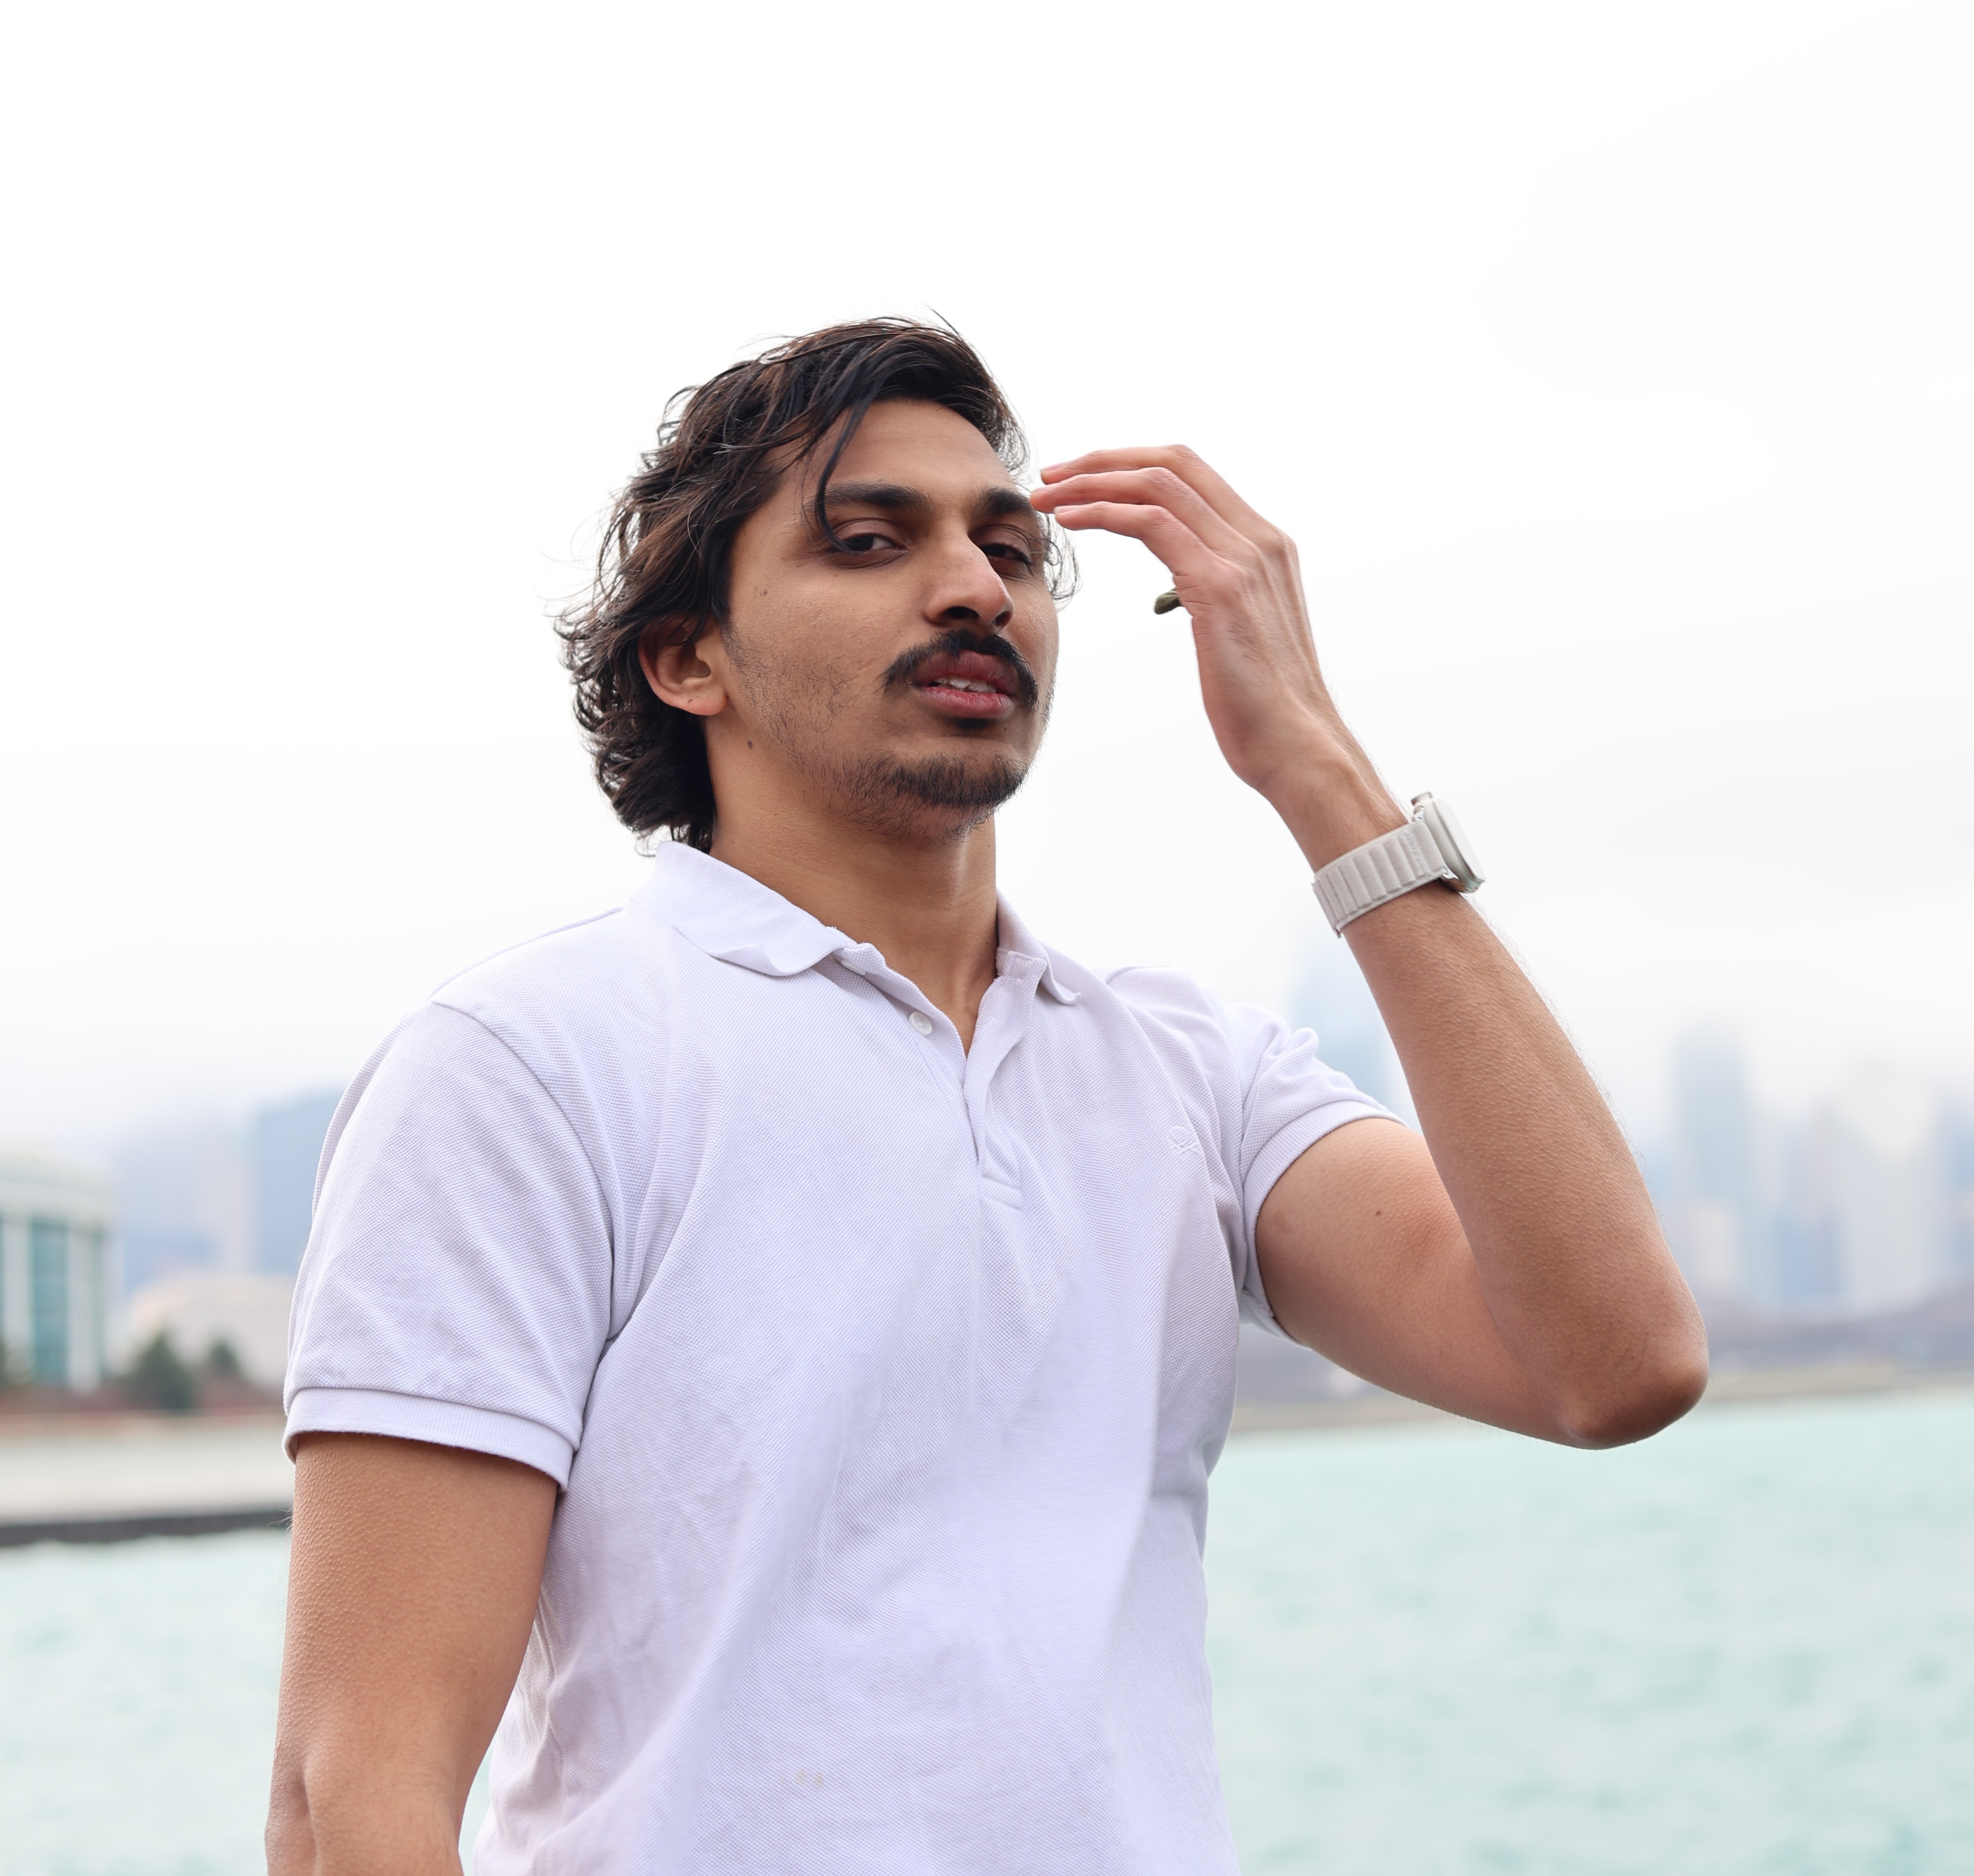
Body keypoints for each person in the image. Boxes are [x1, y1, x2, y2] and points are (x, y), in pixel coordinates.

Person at [267, 316, 1706, 1876]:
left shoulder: (1188, 1073)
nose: (974, 588)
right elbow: (359, 1795)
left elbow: (1610, 1364)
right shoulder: (531, 1065)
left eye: (1012, 548)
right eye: (870, 542)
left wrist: (1316, 762)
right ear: (689, 660)